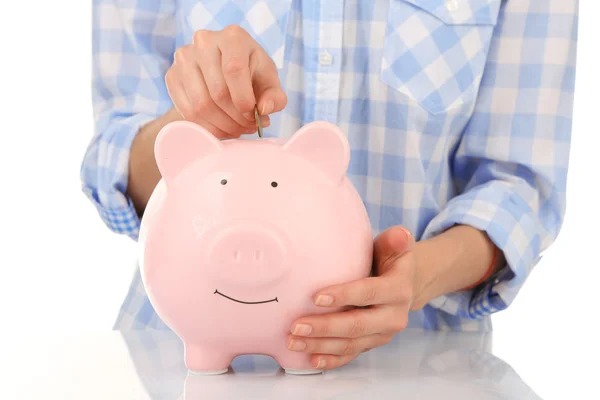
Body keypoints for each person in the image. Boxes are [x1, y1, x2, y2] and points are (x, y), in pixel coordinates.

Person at [82, 0, 578, 371]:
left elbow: (518, 189)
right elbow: (113, 158)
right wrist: (192, 118)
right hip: (174, 361)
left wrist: (416, 277)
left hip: (417, 371)